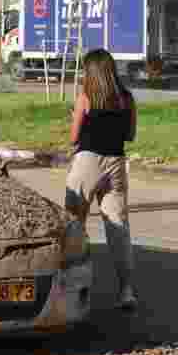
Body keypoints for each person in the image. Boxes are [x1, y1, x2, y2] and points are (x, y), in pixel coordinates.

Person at [65, 49, 139, 311]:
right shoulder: (127, 99)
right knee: (118, 227)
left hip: (88, 161)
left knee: (73, 223)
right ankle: (126, 291)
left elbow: (74, 138)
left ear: (91, 72)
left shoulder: (85, 98)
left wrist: (78, 121)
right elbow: (130, 135)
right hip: (116, 164)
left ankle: (71, 287)